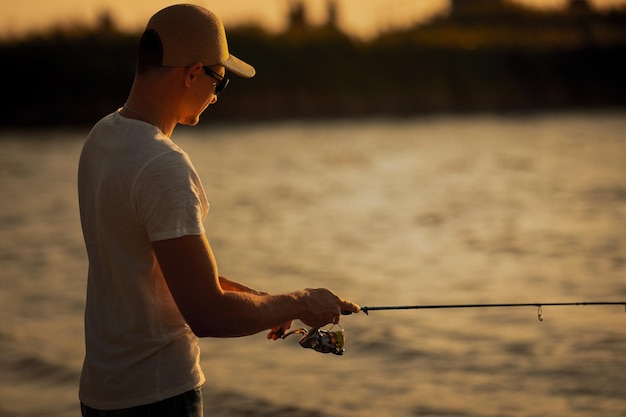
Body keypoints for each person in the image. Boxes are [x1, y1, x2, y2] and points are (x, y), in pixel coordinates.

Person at [77, 4, 360, 416]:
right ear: (192, 73)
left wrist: (264, 303)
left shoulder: (102, 138)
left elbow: (158, 270)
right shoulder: (162, 164)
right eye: (219, 81)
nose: (215, 95)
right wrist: (301, 301)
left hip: (102, 394)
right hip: (158, 397)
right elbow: (207, 314)